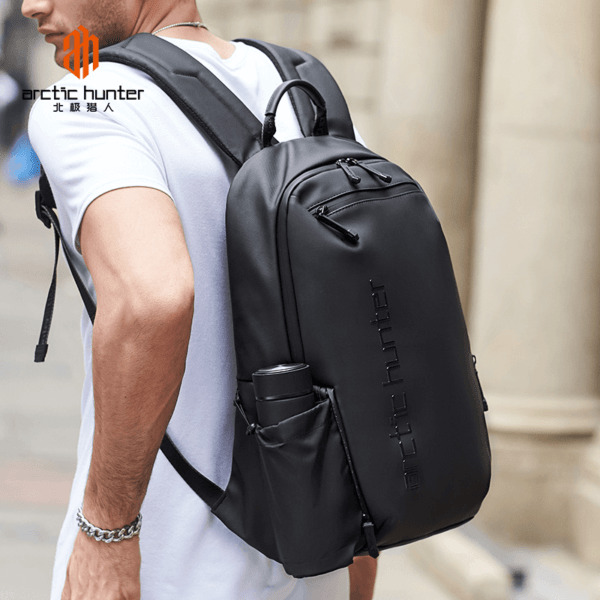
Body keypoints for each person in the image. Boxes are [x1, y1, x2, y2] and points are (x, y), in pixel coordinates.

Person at [23, 0, 377, 598]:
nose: (31, 5)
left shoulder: (88, 97)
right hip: (316, 562)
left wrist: (106, 532)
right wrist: (363, 552)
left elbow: (152, 300)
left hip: (166, 571)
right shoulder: (306, 92)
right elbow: (364, 330)